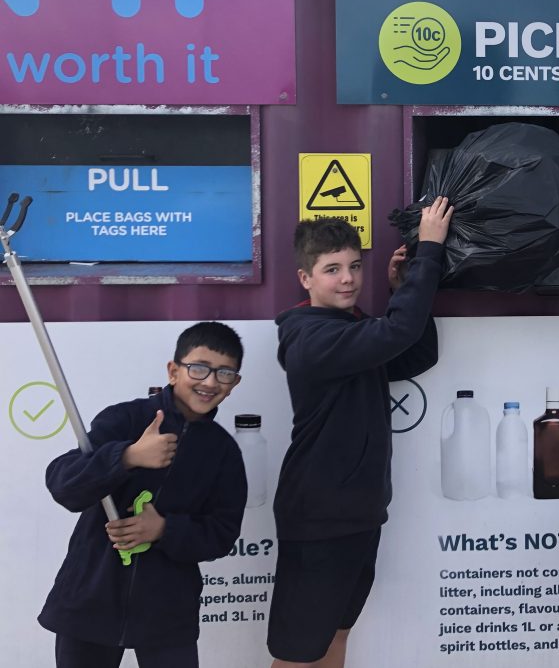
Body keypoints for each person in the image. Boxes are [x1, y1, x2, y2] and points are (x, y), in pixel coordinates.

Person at [268, 199, 452, 668]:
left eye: (354, 266)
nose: (348, 278)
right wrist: (429, 249)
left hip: (358, 516)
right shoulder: (312, 339)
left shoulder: (349, 329)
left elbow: (415, 353)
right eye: (332, 269)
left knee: (335, 637)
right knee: (297, 653)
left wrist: (401, 289)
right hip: (318, 521)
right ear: (305, 278)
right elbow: (396, 333)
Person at [38, 321, 249, 668]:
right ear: (173, 370)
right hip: (91, 599)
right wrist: (127, 457)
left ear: (234, 383)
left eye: (224, 373)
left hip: (168, 611)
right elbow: (64, 485)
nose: (210, 381)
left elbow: (222, 534)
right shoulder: (125, 419)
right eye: (199, 368)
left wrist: (164, 529)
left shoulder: (223, 451)